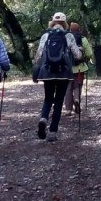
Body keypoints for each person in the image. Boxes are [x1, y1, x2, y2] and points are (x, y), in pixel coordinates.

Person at [32, 12, 82, 142]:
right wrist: (79, 52)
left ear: (52, 22)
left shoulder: (46, 35)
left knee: (48, 98)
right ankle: (53, 131)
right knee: (59, 101)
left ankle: (43, 118)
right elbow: (77, 56)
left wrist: (36, 67)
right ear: (65, 23)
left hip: (47, 72)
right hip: (63, 72)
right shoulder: (68, 35)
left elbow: (38, 55)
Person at [63, 22, 93, 116]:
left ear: (70, 30)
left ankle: (68, 109)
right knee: (78, 86)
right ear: (79, 29)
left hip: (67, 68)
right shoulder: (83, 39)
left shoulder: (65, 38)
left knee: (67, 88)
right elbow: (89, 53)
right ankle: (77, 99)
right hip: (80, 68)